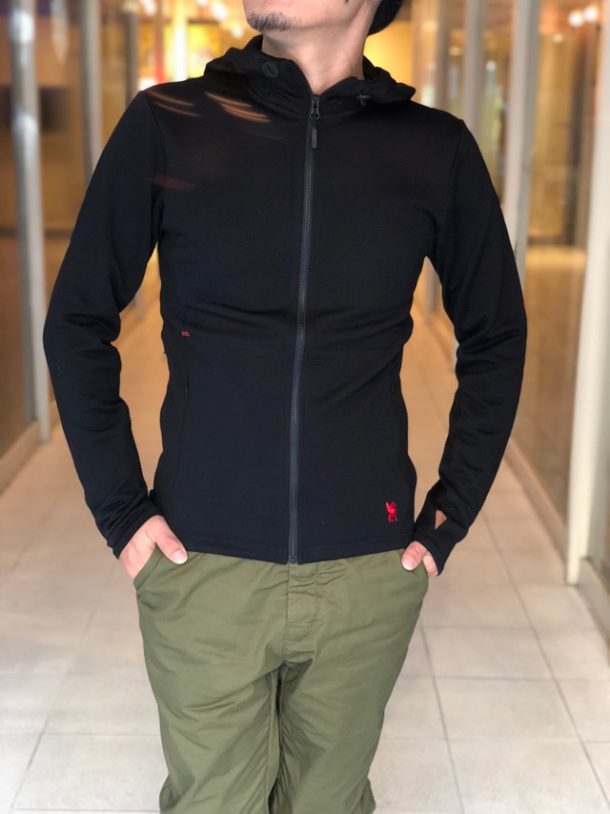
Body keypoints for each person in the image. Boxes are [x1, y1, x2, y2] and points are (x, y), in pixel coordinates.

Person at [42, 0, 528, 811]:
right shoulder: (169, 123)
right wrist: (122, 513)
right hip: (201, 559)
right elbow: (76, 322)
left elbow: (497, 334)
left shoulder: (433, 148)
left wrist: (452, 513)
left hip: (367, 569)